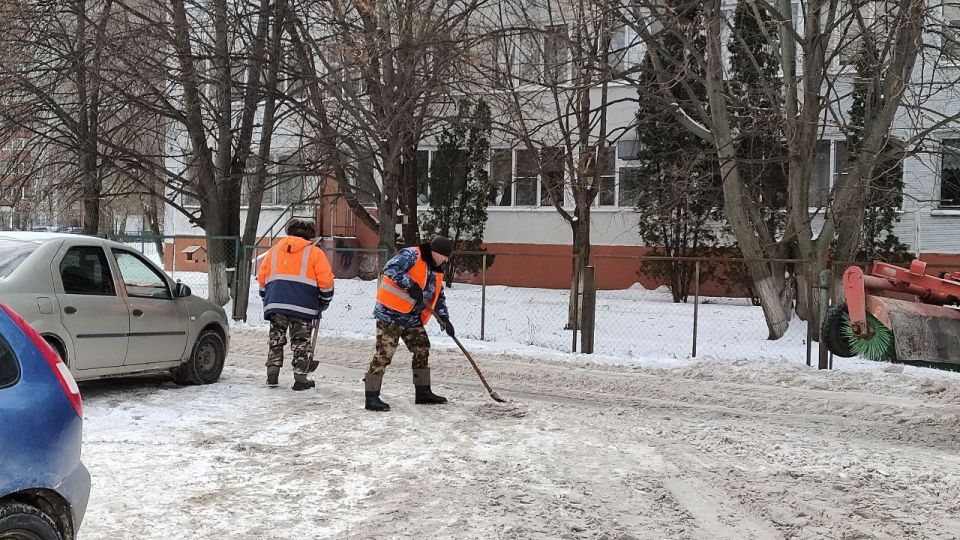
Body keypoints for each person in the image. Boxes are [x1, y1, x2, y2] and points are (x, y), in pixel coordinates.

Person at [363, 236, 456, 411]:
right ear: (436, 253)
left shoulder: (436, 269)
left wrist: (445, 319)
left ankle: (423, 393)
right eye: (445, 256)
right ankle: (371, 397)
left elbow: (438, 296)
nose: (446, 260)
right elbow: (390, 268)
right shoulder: (412, 254)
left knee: (422, 347)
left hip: (412, 316)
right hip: (390, 313)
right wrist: (411, 285)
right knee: (385, 353)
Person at [257, 219, 335, 390]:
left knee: (276, 338)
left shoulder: (275, 250)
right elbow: (326, 280)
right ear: (310, 236)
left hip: (276, 302)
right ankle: (300, 378)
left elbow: (262, 275)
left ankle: (272, 373)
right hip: (304, 305)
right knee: (300, 340)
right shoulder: (314, 252)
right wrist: (325, 299)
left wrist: (265, 295)